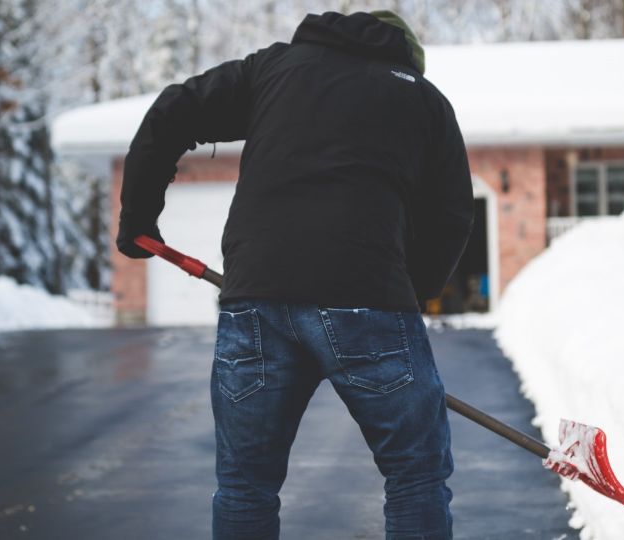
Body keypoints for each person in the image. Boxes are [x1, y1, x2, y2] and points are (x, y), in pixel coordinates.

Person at [117, 10, 474, 540]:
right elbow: (451, 216)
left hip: (256, 297)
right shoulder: (423, 99)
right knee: (415, 475)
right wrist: (409, 295)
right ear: (406, 57)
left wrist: (137, 218)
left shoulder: (275, 70)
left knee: (245, 484)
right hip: (366, 296)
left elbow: (175, 110)